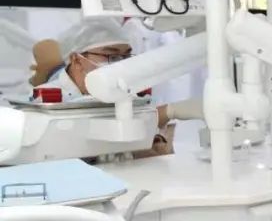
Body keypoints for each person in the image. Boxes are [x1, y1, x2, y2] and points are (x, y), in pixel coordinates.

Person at [34, 18, 175, 155]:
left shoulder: (127, 93)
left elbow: (153, 142)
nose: (121, 64)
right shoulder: (46, 101)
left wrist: (155, 140)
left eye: (125, 56)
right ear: (76, 60)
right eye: (111, 56)